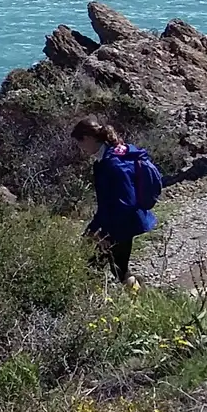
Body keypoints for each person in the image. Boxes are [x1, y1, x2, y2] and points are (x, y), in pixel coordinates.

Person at [72, 119, 157, 288]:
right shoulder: (104, 160)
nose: (81, 148)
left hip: (122, 224)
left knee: (95, 266)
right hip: (120, 223)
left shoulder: (113, 163)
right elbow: (107, 202)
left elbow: (125, 202)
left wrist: (105, 233)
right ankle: (138, 297)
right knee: (118, 269)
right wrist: (95, 228)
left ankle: (135, 301)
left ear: (89, 138)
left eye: (80, 143)